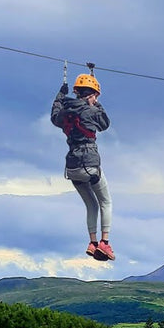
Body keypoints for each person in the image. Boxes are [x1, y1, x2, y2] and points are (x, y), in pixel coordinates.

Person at [51, 69, 114, 260]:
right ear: (92, 94)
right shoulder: (91, 110)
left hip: (72, 167)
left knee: (91, 205)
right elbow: (105, 124)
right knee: (106, 201)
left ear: (76, 91)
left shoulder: (63, 112)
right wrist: (96, 103)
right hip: (90, 163)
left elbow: (54, 115)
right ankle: (104, 243)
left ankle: (92, 243)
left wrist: (61, 93)